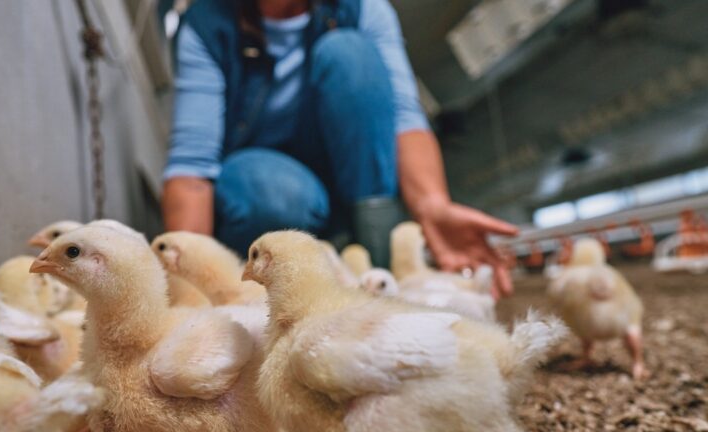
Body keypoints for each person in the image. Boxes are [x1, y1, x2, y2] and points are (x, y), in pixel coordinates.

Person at [161, 0, 519, 296]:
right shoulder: (206, 23)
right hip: (270, 190)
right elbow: (192, 166)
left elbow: (403, 116)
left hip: (350, 186)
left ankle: (375, 270)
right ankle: (280, 277)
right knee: (271, 192)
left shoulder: (363, 9)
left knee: (349, 54)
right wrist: (190, 287)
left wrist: (432, 205)